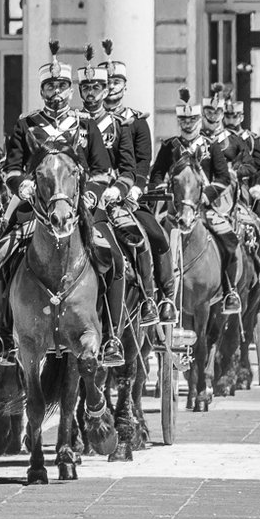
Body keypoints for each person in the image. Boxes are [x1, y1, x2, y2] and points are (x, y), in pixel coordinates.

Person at [0, 40, 127, 368]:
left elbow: (103, 169)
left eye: (62, 86)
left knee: (115, 259)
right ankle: (2, 333)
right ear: (42, 90)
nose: (57, 93)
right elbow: (12, 168)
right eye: (51, 87)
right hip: (37, 207)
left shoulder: (85, 124)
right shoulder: (27, 124)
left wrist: (91, 192)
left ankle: (113, 335)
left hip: (82, 208)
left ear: (70, 90)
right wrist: (24, 184)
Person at [78, 46, 160, 326]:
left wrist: (129, 188)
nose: (104, 90)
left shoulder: (127, 124)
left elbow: (138, 163)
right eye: (89, 87)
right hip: (75, 196)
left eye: (111, 84)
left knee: (147, 236)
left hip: (116, 196)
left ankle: (151, 298)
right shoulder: (73, 123)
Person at [100, 40, 177, 323]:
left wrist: (135, 187)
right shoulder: (87, 120)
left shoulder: (135, 121)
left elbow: (143, 161)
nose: (110, 85)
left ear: (124, 85)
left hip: (128, 194)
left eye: (116, 80)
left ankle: (160, 296)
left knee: (156, 234)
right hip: (93, 196)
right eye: (105, 81)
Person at [149, 89, 241, 315]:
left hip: (204, 209)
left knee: (230, 241)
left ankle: (230, 290)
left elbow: (223, 177)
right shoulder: (170, 146)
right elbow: (157, 175)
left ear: (200, 120)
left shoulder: (211, 147)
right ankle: (150, 293)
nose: (188, 124)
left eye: (192, 120)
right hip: (174, 209)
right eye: (183, 120)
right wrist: (163, 190)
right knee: (150, 240)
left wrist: (206, 195)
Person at [222, 90, 260, 289]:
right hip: (218, 190)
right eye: (228, 116)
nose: (231, 120)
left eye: (235, 116)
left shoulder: (250, 138)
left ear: (242, 117)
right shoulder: (217, 137)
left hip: (245, 191)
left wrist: (258, 187)